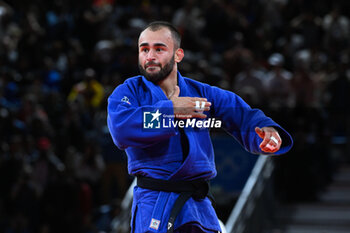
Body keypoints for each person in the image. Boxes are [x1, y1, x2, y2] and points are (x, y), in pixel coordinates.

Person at [107, 21, 293, 233]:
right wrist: (171, 110)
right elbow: (121, 129)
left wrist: (264, 128)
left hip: (198, 206)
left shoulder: (200, 92)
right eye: (144, 49)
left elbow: (239, 113)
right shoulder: (129, 92)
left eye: (159, 49)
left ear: (178, 55)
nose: (150, 56)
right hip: (154, 205)